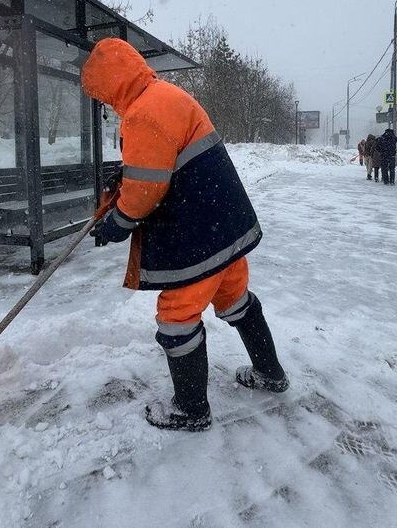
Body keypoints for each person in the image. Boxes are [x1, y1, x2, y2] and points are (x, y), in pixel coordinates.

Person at [82, 37, 288, 432]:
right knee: (235, 299)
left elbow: (144, 193)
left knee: (177, 316)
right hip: (223, 224)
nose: (106, 104)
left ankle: (191, 409)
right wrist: (124, 178)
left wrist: (116, 224)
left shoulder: (143, 113)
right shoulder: (165, 95)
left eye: (104, 95)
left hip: (198, 235)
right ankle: (270, 373)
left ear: (112, 82)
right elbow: (158, 165)